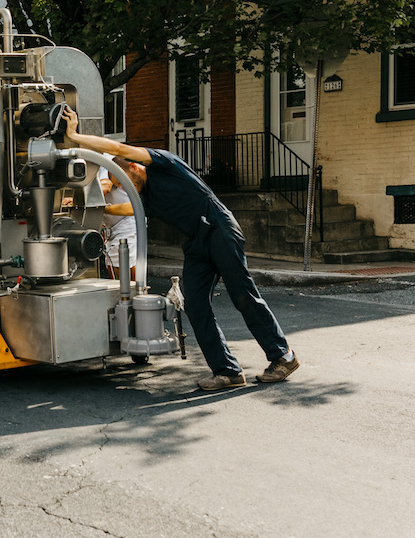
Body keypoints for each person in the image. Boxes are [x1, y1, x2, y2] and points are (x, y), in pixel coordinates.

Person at [61, 107, 298, 390]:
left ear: (134, 167)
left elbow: (117, 147)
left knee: (243, 296)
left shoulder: (164, 163)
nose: (126, 188)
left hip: (219, 229)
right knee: (195, 305)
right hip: (196, 242)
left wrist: (75, 136)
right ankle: (227, 371)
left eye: (126, 181)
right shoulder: (145, 195)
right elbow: (127, 209)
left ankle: (283, 355)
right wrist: (94, 207)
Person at [99, 158, 137, 280]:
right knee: (119, 263)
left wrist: (82, 199)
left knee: (121, 262)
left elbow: (105, 186)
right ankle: (129, 294)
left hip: (125, 222)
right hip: (113, 225)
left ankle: (128, 294)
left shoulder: (103, 160)